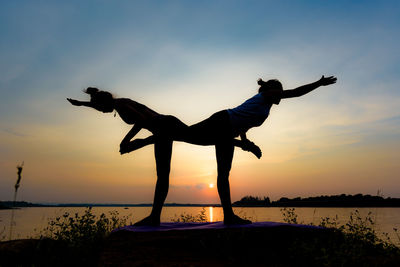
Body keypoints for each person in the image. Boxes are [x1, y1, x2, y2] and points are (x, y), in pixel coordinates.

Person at [67, 75, 337, 226]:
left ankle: (225, 216)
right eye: (278, 92)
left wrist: (246, 142)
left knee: (208, 158)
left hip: (211, 126)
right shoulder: (266, 97)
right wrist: (318, 83)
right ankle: (169, 216)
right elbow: (294, 93)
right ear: (271, 91)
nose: (280, 96)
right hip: (218, 123)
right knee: (191, 145)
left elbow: (245, 120)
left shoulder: (263, 105)